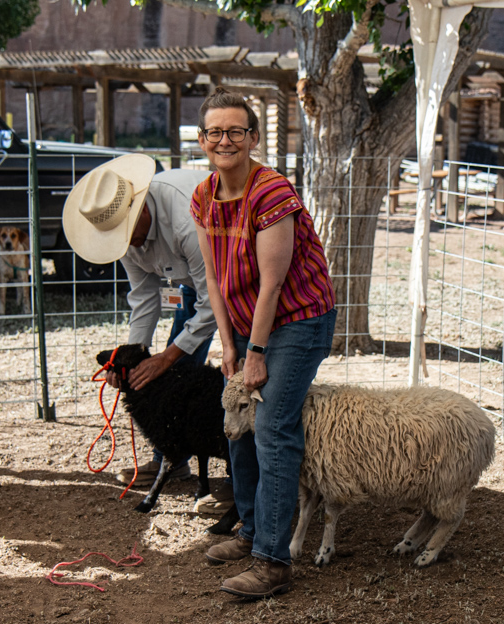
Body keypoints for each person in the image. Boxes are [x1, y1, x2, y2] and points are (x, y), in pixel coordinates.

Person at [192, 87, 337, 599]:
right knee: (238, 420)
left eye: (235, 131)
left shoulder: (271, 192)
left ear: (253, 138)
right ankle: (251, 529)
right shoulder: (204, 195)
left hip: (298, 319)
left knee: (273, 425)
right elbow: (212, 277)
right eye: (215, 131)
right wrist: (229, 344)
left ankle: (273, 563)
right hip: (248, 324)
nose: (224, 140)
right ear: (203, 139)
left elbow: (273, 282)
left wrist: (255, 354)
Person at [62, 154, 228, 508]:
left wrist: (166, 358)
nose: (128, 246)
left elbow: (216, 302)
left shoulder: (186, 219)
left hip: (236, 279)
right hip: (193, 281)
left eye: (126, 235)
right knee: (173, 373)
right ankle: (171, 455)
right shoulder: (123, 237)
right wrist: (129, 361)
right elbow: (144, 300)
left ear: (140, 211)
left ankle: (242, 470)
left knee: (230, 367)